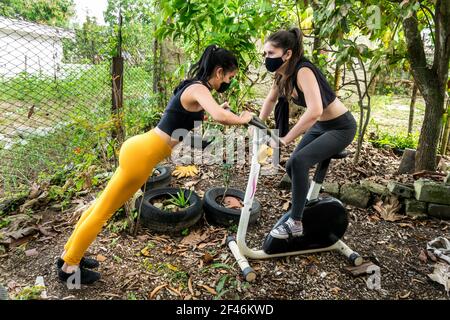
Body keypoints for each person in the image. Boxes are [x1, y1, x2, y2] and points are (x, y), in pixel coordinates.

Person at [57, 44, 253, 284]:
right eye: (230, 77)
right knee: (103, 212)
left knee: (100, 205)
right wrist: (242, 119)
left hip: (138, 149)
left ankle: (69, 255)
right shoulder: (200, 89)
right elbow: (220, 117)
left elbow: (189, 124)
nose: (228, 83)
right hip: (141, 156)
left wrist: (218, 111)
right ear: (220, 72)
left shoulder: (194, 88)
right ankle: (69, 268)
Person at [258, 28, 357, 239]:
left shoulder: (303, 71)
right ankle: (305, 206)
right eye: (265, 54)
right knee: (292, 164)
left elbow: (315, 110)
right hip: (321, 127)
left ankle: (295, 222)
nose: (267, 58)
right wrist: (258, 124)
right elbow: (270, 100)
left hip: (341, 127)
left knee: (300, 161)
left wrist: (285, 139)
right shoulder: (282, 74)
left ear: (288, 54)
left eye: (271, 54)